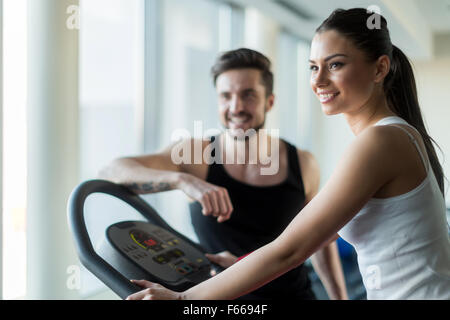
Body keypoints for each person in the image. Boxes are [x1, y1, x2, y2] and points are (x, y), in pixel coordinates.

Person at [125, 8, 450, 300]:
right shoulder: (392, 135)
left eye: (335, 64)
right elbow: (315, 235)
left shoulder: (380, 141)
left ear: (380, 69)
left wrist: (183, 300)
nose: (318, 80)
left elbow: (291, 249)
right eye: (313, 67)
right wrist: (239, 261)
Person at [99, 48, 348, 299]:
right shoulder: (195, 155)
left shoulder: (303, 164)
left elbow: (319, 240)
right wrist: (182, 181)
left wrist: (340, 297)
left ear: (269, 101)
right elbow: (111, 171)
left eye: (248, 95)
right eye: (226, 96)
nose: (236, 107)